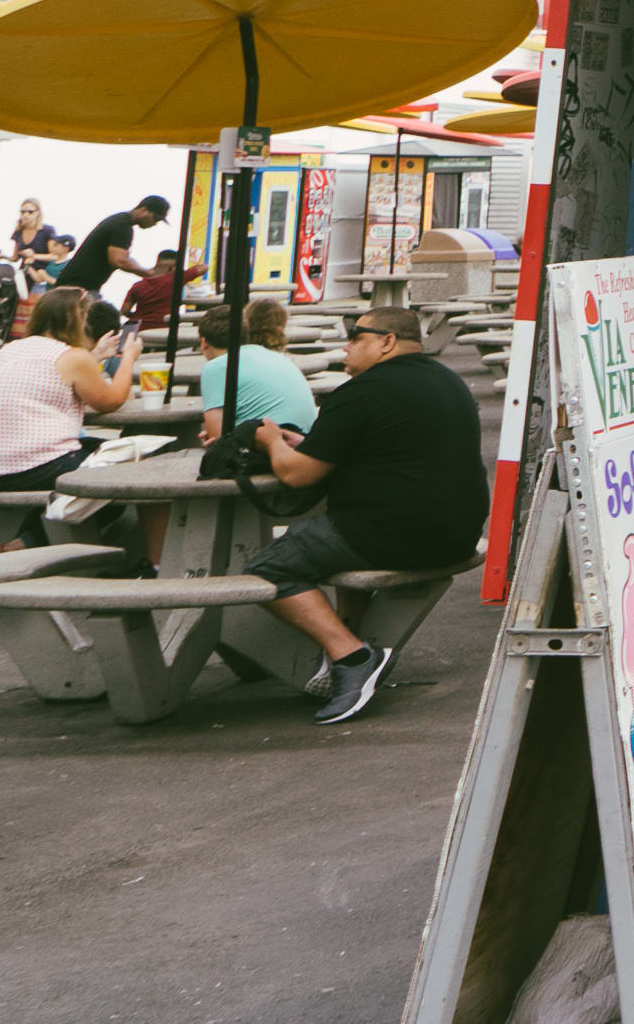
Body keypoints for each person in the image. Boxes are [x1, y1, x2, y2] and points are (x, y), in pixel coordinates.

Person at [249, 305, 485, 723]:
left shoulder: (359, 392)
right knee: (336, 529)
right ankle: (346, 637)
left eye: (356, 337)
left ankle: (351, 656)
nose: (346, 347)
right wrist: (310, 443)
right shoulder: (448, 380)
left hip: (393, 535)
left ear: (386, 342)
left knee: (268, 567)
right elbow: (389, 442)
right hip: (459, 532)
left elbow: (296, 474)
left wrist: (271, 442)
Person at [0, 287, 143, 545]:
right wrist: (128, 357)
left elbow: (54, 375)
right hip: (40, 463)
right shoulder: (73, 357)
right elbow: (111, 400)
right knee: (117, 483)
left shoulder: (8, 350)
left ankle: (19, 542)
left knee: (100, 457)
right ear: (77, 320)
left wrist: (95, 355)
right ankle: (24, 543)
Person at [188, 292, 316, 435]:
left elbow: (217, 436)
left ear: (204, 342)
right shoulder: (276, 356)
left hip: (278, 441)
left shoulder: (218, 367)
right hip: (306, 438)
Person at [53, 193, 169, 299]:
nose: (155, 223)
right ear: (143, 210)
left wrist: (147, 271)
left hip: (76, 284)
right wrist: (148, 273)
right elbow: (119, 261)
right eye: (156, 218)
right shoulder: (123, 226)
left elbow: (124, 258)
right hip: (77, 286)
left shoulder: (120, 221)